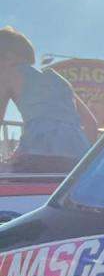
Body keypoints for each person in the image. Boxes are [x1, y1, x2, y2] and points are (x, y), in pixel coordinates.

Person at [0, 27, 91, 172]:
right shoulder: (60, 80)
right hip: (78, 154)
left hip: (37, 155)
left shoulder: (8, 75)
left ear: (8, 57)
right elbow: (91, 122)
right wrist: (87, 156)